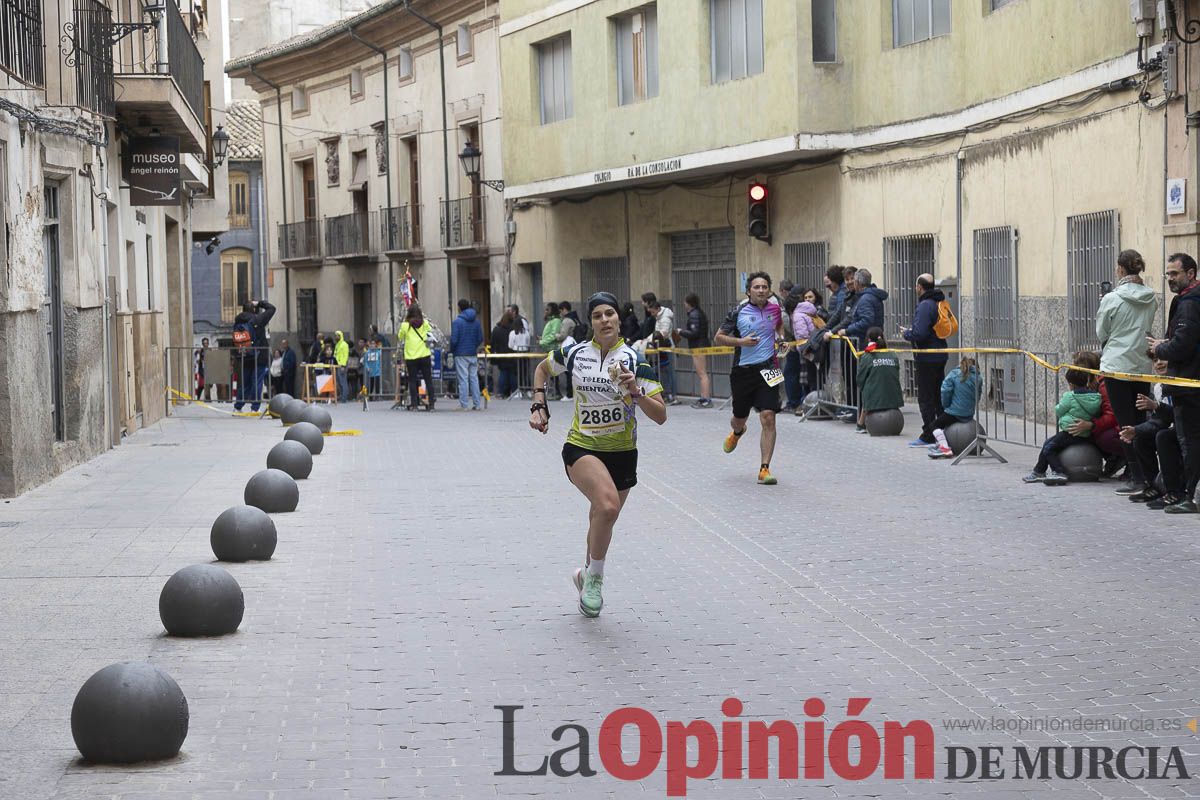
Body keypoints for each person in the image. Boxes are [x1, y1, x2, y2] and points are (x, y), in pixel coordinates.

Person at [528, 291, 667, 618]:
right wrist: (539, 405)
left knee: (602, 516)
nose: (604, 320)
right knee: (606, 505)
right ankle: (596, 582)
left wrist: (636, 392)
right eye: (597, 316)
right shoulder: (575, 353)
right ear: (590, 322)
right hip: (582, 447)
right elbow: (542, 370)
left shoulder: (635, 359)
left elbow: (660, 415)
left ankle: (585, 573)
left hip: (622, 453)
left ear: (618, 318)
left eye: (609, 314)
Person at [714, 271, 787, 485]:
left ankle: (764, 469)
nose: (761, 290)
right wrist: (741, 342)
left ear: (769, 290)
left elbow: (779, 327)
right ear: (749, 291)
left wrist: (781, 339)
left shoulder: (775, 309)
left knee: (768, 416)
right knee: (739, 416)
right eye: (757, 287)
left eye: (765, 287)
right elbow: (718, 337)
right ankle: (738, 431)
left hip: (770, 369)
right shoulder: (738, 311)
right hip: (743, 371)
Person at [1097, 249, 1158, 492]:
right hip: (1141, 364)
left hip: (1117, 366)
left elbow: (1102, 332)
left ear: (1121, 269)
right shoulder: (1151, 297)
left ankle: (1136, 474)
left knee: (1125, 422)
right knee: (1141, 420)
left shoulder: (1111, 298)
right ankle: (1143, 471)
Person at [1148, 252, 1200, 512]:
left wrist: (1162, 347)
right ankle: (1175, 492)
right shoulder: (1186, 300)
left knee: (1189, 442)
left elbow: (1183, 344)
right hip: (1184, 383)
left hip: (1190, 387)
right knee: (1171, 438)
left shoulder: (1190, 303)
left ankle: (1187, 497)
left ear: (1190, 274)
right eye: (1167, 274)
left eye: (1175, 274)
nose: (1170, 278)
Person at [1023, 368, 1102, 486]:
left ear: (1070, 384)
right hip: (1086, 432)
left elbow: (1059, 410)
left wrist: (1065, 415)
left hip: (1071, 432)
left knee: (1049, 447)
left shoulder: (1070, 396)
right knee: (1047, 443)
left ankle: (1059, 472)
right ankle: (1039, 471)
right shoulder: (1095, 397)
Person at [1123, 360, 1182, 507]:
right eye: (1155, 360)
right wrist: (1136, 430)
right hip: (1175, 428)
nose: (1159, 363)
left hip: (1189, 429)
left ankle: (1174, 492)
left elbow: (1183, 416)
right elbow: (1159, 420)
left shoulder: (1184, 382)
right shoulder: (1158, 387)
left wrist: (1157, 406)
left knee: (1164, 437)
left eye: (1163, 359)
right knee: (1142, 438)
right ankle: (1156, 487)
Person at [901, 274, 949, 448]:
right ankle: (942, 432)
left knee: (926, 398)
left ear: (919, 287)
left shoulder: (925, 305)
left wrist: (907, 334)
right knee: (938, 397)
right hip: (940, 354)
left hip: (927, 357)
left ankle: (929, 434)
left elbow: (920, 333)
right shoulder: (938, 301)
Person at [926, 357, 982, 459]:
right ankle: (941, 443)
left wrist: (946, 405)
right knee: (945, 423)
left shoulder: (954, 374)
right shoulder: (978, 377)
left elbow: (945, 391)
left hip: (955, 412)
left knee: (934, 425)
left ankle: (945, 448)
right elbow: (978, 396)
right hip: (969, 414)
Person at [855, 328, 903, 434]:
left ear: (868, 339)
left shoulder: (867, 356)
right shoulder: (892, 354)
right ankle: (862, 423)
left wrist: (862, 386)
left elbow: (860, 378)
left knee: (868, 388)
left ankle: (860, 424)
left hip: (874, 395)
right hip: (894, 394)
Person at [232, 299, 276, 412]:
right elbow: (272, 308)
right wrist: (260, 303)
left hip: (244, 355)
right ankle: (254, 408)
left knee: (244, 382)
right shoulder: (258, 319)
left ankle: (238, 407)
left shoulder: (237, 321)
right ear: (254, 309)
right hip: (259, 355)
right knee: (257, 381)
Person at [676, 293, 712, 408]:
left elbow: (694, 333)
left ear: (688, 303)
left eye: (685, 302)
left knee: (702, 373)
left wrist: (681, 331)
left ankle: (705, 399)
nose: (684, 304)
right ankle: (703, 398)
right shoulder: (698, 313)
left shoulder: (694, 315)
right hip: (700, 346)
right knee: (702, 373)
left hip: (698, 347)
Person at [639, 297, 677, 405]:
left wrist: (649, 339)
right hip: (662, 347)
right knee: (664, 373)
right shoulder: (659, 317)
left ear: (658, 309)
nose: (651, 314)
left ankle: (672, 395)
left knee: (669, 373)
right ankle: (668, 394)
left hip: (666, 348)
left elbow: (663, 333)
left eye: (652, 312)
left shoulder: (664, 318)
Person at [398, 304, 435, 411]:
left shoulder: (405, 325)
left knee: (412, 380)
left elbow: (400, 337)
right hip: (424, 354)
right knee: (428, 379)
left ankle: (415, 405)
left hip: (411, 356)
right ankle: (431, 404)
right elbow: (430, 335)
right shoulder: (425, 323)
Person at [450, 298, 484, 410]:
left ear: (459, 308)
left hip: (460, 353)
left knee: (463, 379)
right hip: (472, 353)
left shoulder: (457, 322)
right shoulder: (476, 321)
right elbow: (480, 338)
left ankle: (464, 404)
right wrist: (474, 346)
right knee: (474, 378)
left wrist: (452, 350)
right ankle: (477, 404)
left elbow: (454, 340)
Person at [539, 302, 564, 399]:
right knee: (551, 372)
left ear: (552, 311)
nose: (545, 311)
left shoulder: (556, 321)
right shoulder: (551, 321)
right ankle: (553, 392)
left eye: (547, 310)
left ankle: (556, 392)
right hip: (548, 349)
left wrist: (542, 342)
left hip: (552, 349)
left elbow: (554, 335)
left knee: (554, 373)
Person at [491, 310, 516, 399]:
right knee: (512, 374)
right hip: (512, 354)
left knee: (503, 373)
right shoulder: (513, 329)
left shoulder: (497, 329)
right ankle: (514, 391)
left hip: (501, 355)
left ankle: (501, 392)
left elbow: (493, 343)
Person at [509, 310, 532, 398]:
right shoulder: (526, 333)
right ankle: (528, 389)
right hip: (525, 352)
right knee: (525, 372)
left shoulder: (512, 333)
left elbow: (510, 345)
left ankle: (519, 391)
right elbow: (528, 343)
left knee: (517, 372)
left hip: (516, 353)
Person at [333, 330, 350, 402]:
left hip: (342, 365)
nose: (336, 337)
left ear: (340, 336)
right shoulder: (337, 344)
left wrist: (343, 365)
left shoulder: (344, 344)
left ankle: (344, 398)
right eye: (335, 335)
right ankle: (342, 396)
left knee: (343, 382)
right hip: (337, 365)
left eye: (337, 335)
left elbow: (345, 355)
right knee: (339, 382)